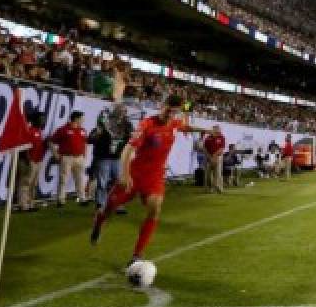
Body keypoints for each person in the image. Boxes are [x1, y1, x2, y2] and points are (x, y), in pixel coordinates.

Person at [91, 94, 208, 267]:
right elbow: (127, 150)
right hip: (135, 175)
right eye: (168, 110)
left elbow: (186, 127)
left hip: (155, 177)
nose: (170, 115)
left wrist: (205, 130)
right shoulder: (146, 124)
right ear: (162, 106)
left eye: (174, 112)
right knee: (109, 208)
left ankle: (137, 255)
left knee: (155, 208)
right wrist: (125, 174)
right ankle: (99, 222)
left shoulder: (174, 123)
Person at [89, 105, 133, 212]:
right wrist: (97, 133)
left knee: (118, 182)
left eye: (125, 111)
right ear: (115, 111)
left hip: (117, 158)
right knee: (102, 182)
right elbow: (90, 139)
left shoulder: (127, 124)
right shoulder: (104, 123)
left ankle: (116, 204)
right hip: (103, 157)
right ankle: (101, 205)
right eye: (121, 111)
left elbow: (131, 138)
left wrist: (132, 136)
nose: (123, 113)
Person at [49, 110, 88, 207]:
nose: (83, 120)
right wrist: (56, 154)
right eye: (82, 118)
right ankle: (61, 200)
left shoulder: (82, 130)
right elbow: (51, 141)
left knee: (80, 178)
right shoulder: (63, 129)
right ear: (76, 119)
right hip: (67, 157)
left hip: (79, 157)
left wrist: (84, 155)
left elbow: (85, 143)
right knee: (63, 179)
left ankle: (82, 198)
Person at [15, 111, 46, 212]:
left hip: (37, 161)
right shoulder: (29, 130)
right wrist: (28, 159)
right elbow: (24, 147)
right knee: (25, 183)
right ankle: (23, 205)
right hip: (29, 161)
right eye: (41, 119)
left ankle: (30, 203)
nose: (43, 121)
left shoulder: (39, 131)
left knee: (33, 184)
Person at [202, 124, 226, 193]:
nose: (217, 130)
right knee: (208, 175)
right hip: (208, 158)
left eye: (218, 129)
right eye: (215, 129)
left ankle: (219, 188)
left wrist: (214, 156)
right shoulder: (208, 138)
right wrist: (210, 157)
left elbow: (221, 148)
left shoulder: (222, 137)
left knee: (218, 174)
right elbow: (204, 148)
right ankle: (209, 188)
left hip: (218, 157)